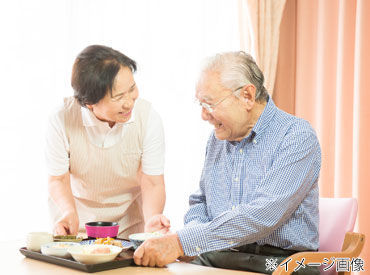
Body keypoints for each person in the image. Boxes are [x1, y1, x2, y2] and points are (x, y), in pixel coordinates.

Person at [133, 51, 321, 274]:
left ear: (247, 96)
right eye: (200, 104)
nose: (204, 115)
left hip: (279, 263)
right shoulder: (218, 138)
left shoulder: (296, 136)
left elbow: (262, 215)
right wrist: (191, 240)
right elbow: (200, 202)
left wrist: (182, 242)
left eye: (210, 104)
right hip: (219, 256)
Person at [46, 45, 170, 238]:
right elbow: (58, 179)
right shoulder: (61, 119)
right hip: (77, 228)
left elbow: (152, 181)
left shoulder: (148, 118)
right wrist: (68, 213)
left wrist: (153, 217)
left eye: (132, 89)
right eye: (119, 97)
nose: (129, 102)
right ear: (89, 103)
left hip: (130, 229)